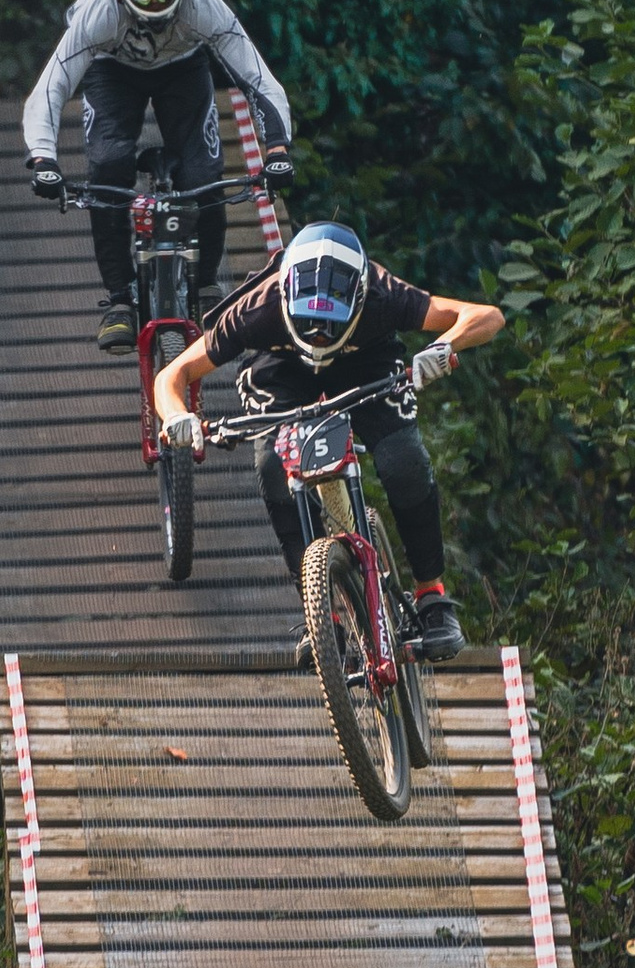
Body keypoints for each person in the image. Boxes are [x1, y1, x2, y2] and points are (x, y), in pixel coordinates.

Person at [150, 219, 500, 658]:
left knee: (402, 459)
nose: (317, 334)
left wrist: (444, 346)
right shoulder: (258, 307)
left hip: (367, 362)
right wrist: (177, 416)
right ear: (286, 298)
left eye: (328, 324)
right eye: (308, 323)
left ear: (359, 299)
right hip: (280, 369)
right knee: (273, 468)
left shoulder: (383, 295)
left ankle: (432, 596)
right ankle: (321, 615)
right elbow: (173, 374)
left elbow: (485, 316)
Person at [23, 0, 297, 353]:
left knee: (203, 173)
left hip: (183, 69)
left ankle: (205, 286)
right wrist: (43, 159)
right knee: (108, 168)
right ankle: (119, 299)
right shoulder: (98, 12)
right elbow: (51, 88)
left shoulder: (202, 4)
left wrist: (278, 149)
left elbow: (256, 77)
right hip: (112, 71)